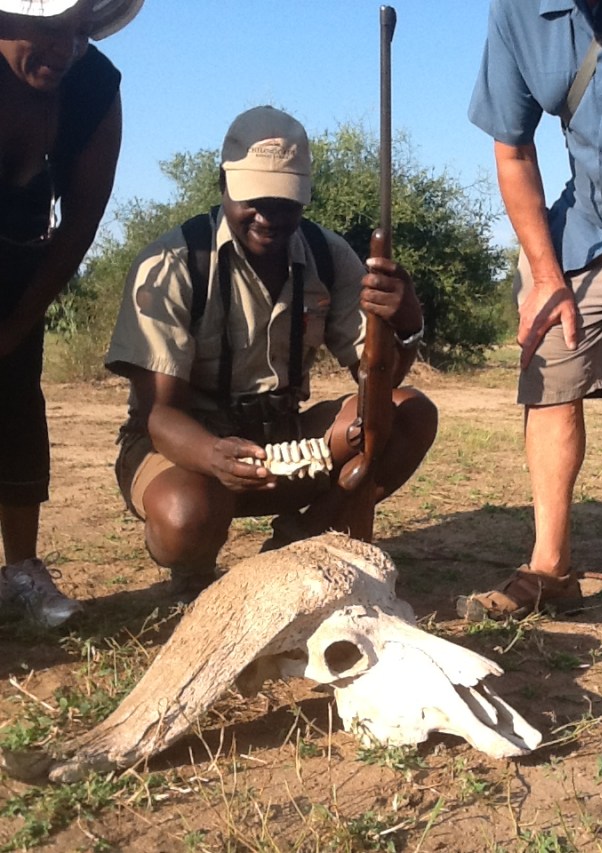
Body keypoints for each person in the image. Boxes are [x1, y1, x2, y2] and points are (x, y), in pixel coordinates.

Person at [106, 105, 438, 601]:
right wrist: (211, 455)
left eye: (285, 202)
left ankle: (303, 539)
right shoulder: (175, 263)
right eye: (254, 199)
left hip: (281, 442)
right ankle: (193, 572)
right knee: (186, 516)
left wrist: (406, 324)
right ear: (223, 183)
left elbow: (376, 382)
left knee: (408, 412)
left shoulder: (327, 256)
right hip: (184, 448)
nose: (269, 216)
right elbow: (160, 416)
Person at [457, 0, 602, 621]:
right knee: (548, 359)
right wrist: (544, 275)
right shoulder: (517, 12)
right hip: (588, 226)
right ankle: (550, 570)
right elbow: (513, 150)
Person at [0, 0, 144, 625]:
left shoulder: (93, 87)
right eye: (50, 30)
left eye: (78, 34)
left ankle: (20, 573)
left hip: (21, 261)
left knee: (16, 399)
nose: (65, 50)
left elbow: (80, 222)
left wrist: (14, 327)